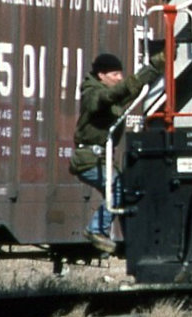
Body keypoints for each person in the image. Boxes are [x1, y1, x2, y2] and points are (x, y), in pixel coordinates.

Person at [69, 50, 163, 254]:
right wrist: (131, 83)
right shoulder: (92, 94)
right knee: (117, 188)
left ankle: (132, 239)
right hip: (88, 160)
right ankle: (96, 230)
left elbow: (132, 89)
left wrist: (156, 67)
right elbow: (110, 95)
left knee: (125, 190)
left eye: (121, 74)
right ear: (101, 76)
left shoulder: (110, 95)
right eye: (115, 74)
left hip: (102, 159)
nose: (120, 78)